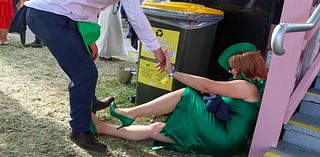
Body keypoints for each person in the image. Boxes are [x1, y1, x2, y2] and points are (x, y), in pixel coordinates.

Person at [23, 0, 166, 152]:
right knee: (84, 74)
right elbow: (135, 17)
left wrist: (89, 38)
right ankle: (79, 131)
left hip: (68, 18)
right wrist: (156, 49)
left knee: (84, 69)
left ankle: (91, 103)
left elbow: (90, 7)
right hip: (46, 15)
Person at [91, 42, 268, 156]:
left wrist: (172, 72)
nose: (230, 72)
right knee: (157, 129)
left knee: (187, 94)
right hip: (224, 139)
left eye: (232, 68)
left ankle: (130, 112)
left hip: (225, 137)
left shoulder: (247, 87)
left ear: (244, 67)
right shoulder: (252, 86)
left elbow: (208, 86)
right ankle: (103, 128)